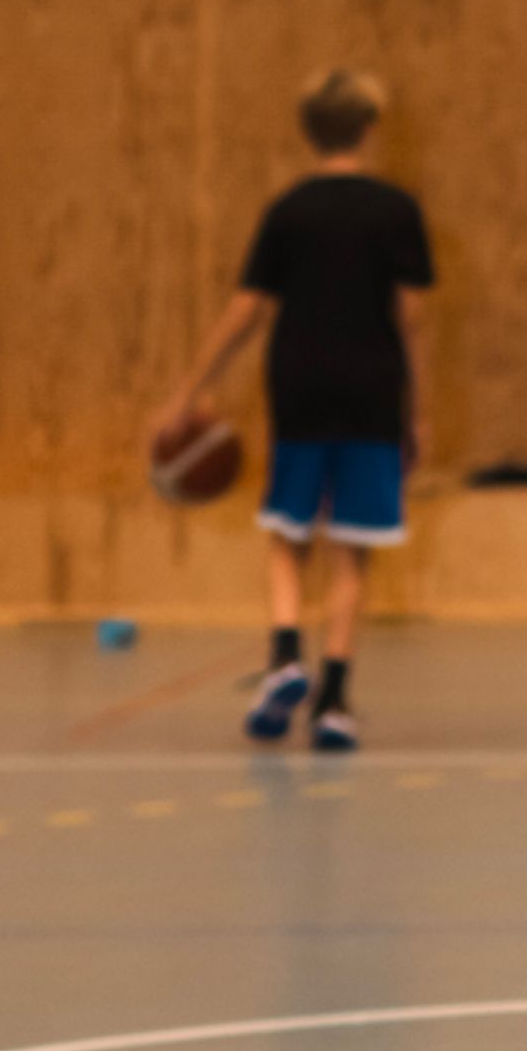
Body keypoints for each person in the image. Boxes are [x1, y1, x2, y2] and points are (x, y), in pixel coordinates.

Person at [149, 67, 433, 751]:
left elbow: (247, 310)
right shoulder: (396, 209)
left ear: (308, 131)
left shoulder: (288, 210)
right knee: (352, 549)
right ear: (370, 128)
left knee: (288, 532)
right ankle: (333, 701)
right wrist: (418, 410)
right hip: (372, 389)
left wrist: (188, 391)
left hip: (300, 385)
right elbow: (412, 315)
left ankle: (284, 657)